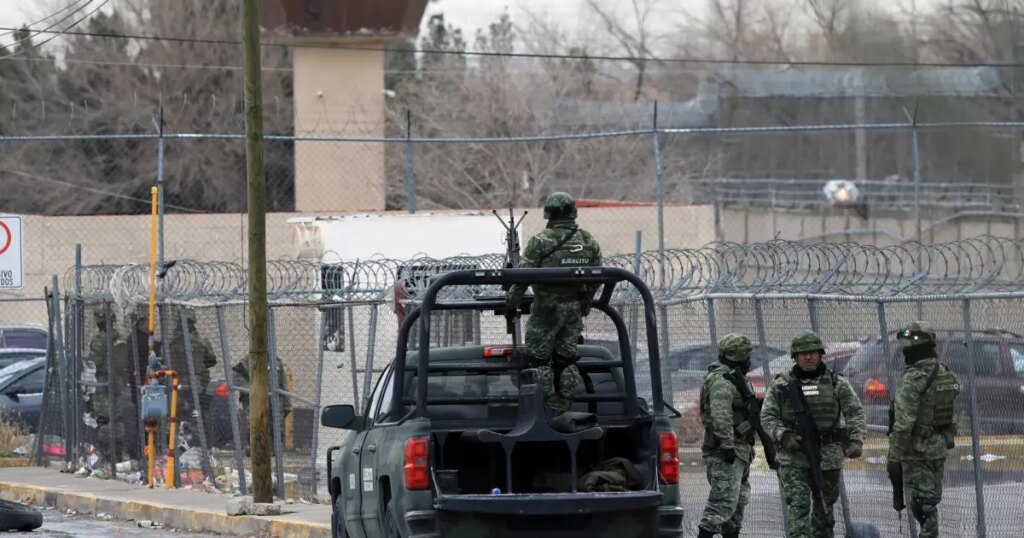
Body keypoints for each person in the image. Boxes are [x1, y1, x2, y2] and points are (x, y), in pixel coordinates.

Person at [761, 330, 866, 538]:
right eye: (802, 353)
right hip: (795, 457)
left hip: (828, 456)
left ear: (820, 355)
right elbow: (768, 417)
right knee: (798, 509)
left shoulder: (836, 383)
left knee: (825, 513)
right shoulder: (781, 385)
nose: (808, 357)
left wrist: (855, 440)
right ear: (795, 357)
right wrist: (783, 435)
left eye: (812, 353)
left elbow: (855, 412)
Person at [506, 192, 602, 414]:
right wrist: (585, 303)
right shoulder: (588, 240)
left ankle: (548, 406)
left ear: (548, 213)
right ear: (573, 212)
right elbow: (597, 277)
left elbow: (523, 276)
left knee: (538, 360)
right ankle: (565, 404)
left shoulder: (541, 240)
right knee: (567, 359)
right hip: (573, 308)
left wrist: (512, 302)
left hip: (546, 309)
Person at [887, 321, 960, 538]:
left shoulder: (912, 379)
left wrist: (893, 456)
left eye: (908, 348)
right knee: (930, 499)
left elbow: (903, 424)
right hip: (938, 446)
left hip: (916, 451)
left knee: (922, 505)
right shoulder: (945, 373)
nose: (906, 352)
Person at [697, 334, 756, 538]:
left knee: (736, 508)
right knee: (721, 506)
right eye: (747, 356)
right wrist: (728, 445)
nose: (750, 360)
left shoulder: (735, 376)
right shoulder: (723, 379)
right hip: (726, 451)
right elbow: (721, 415)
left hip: (741, 449)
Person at [168, 307, 219, 444]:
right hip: (197, 382)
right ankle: (198, 440)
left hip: (176, 382)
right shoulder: (200, 341)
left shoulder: (171, 342)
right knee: (197, 412)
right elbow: (211, 360)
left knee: (178, 412)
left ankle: (177, 439)